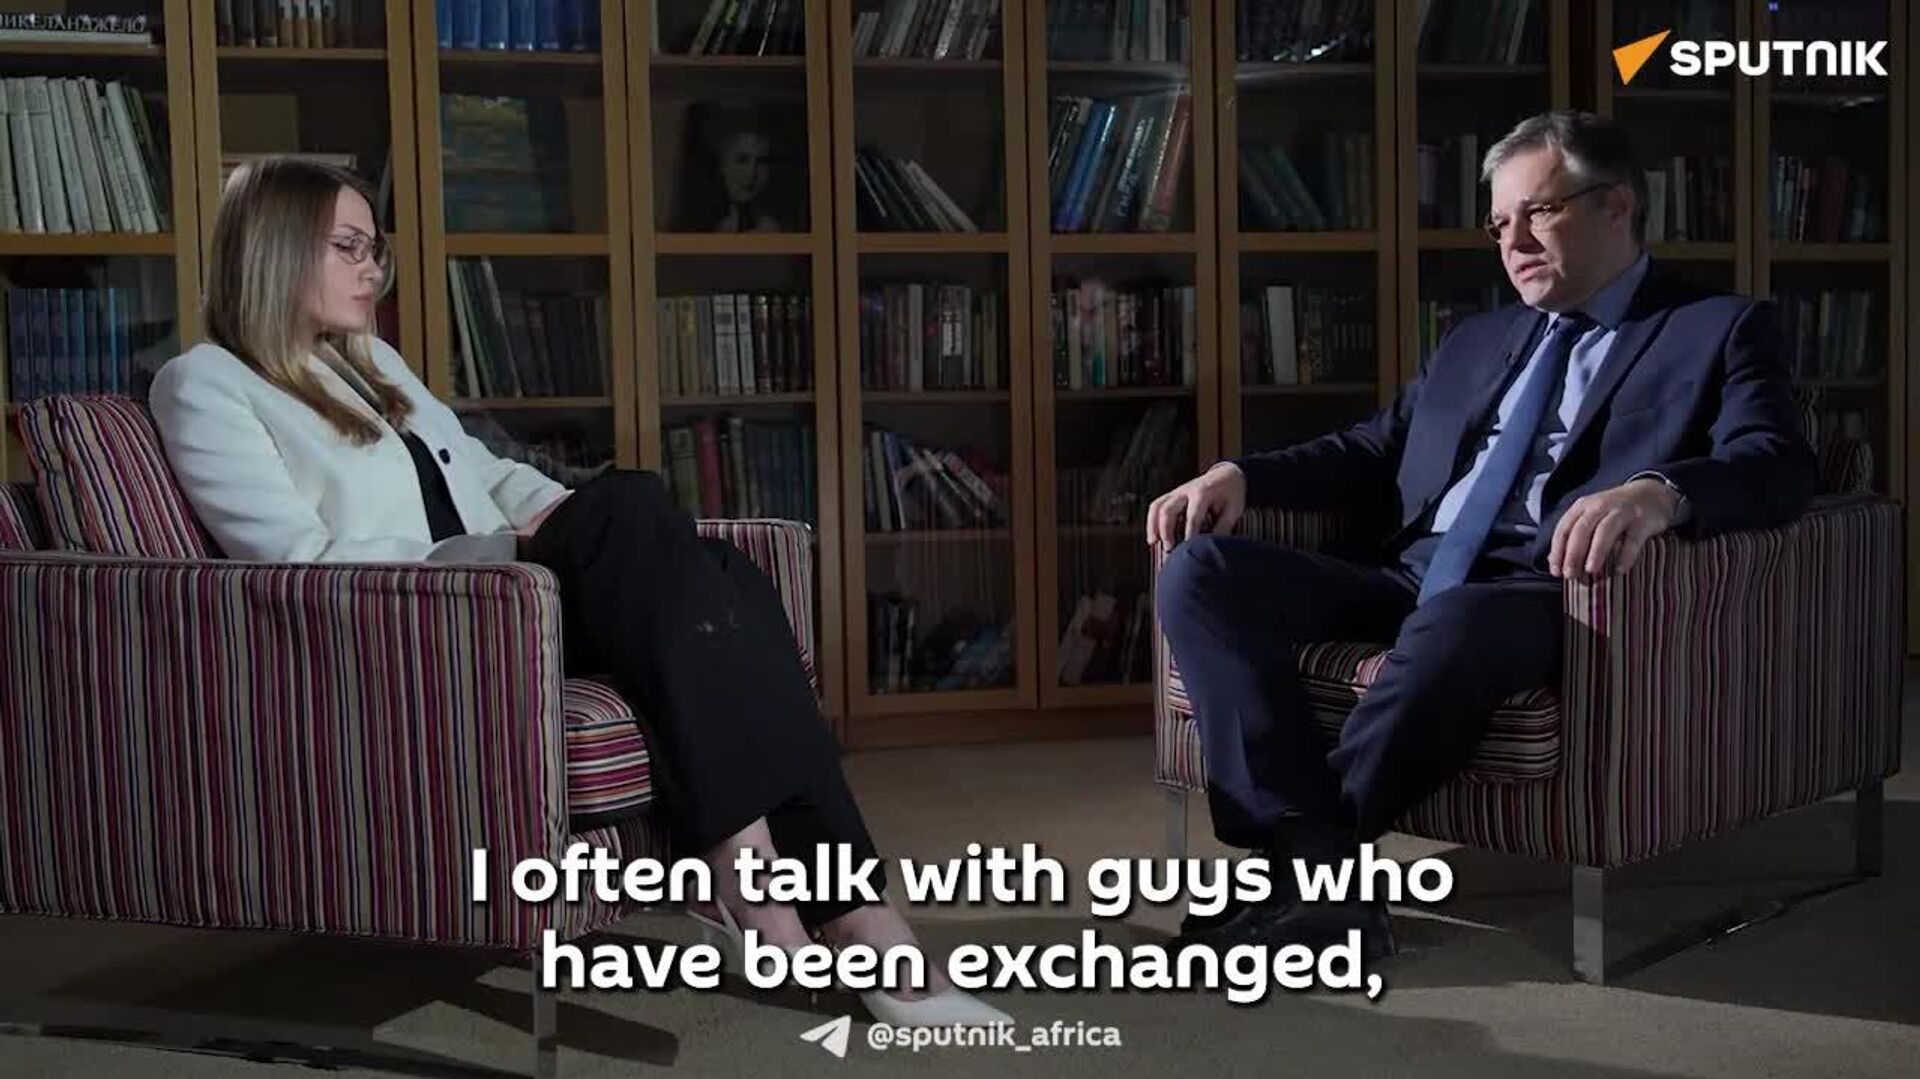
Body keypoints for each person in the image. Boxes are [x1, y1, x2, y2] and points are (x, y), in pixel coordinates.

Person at [148, 158, 1007, 1028]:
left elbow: (483, 470)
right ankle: (812, 903)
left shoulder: (372, 363)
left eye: (376, 249)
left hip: (517, 599)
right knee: (635, 511)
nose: (373, 269)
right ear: (276, 249)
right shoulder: (206, 384)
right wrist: (501, 553)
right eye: (349, 247)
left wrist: (565, 520)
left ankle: (810, 896)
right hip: (427, 624)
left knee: (716, 565)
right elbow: (293, 560)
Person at [1148, 111, 1816, 957]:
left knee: (1456, 620)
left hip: (1545, 590)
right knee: (1200, 570)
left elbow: (1777, 461)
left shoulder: (1716, 326)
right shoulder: (1477, 335)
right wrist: (1240, 474)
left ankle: (1302, 878)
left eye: (1538, 212)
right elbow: (1375, 447)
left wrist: (1660, 493)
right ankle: (1315, 865)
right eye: (1500, 223)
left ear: (1617, 205)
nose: (1514, 242)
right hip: (1409, 575)